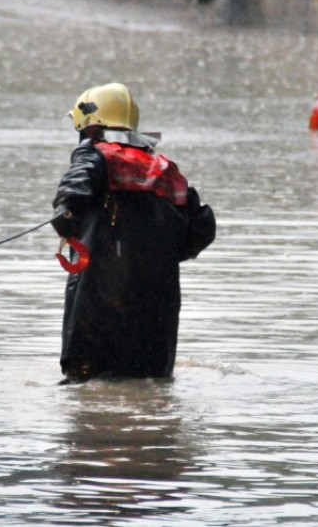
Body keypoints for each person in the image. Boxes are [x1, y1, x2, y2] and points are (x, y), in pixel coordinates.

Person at [51, 83, 216, 383]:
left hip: (98, 304)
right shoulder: (166, 168)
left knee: (86, 388)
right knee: (149, 384)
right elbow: (202, 228)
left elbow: (72, 197)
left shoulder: (94, 154)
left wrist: (65, 218)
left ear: (89, 125)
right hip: (156, 316)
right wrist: (158, 255)